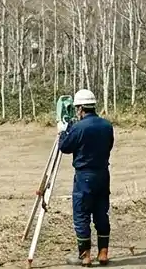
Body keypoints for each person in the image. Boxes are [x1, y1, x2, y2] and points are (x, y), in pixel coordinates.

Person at [59, 89, 115, 266]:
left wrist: (63, 131)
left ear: (81, 108)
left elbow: (65, 147)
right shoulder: (107, 125)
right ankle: (103, 252)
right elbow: (109, 145)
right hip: (103, 174)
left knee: (82, 214)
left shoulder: (78, 127)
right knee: (101, 212)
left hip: (84, 176)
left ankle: (85, 256)